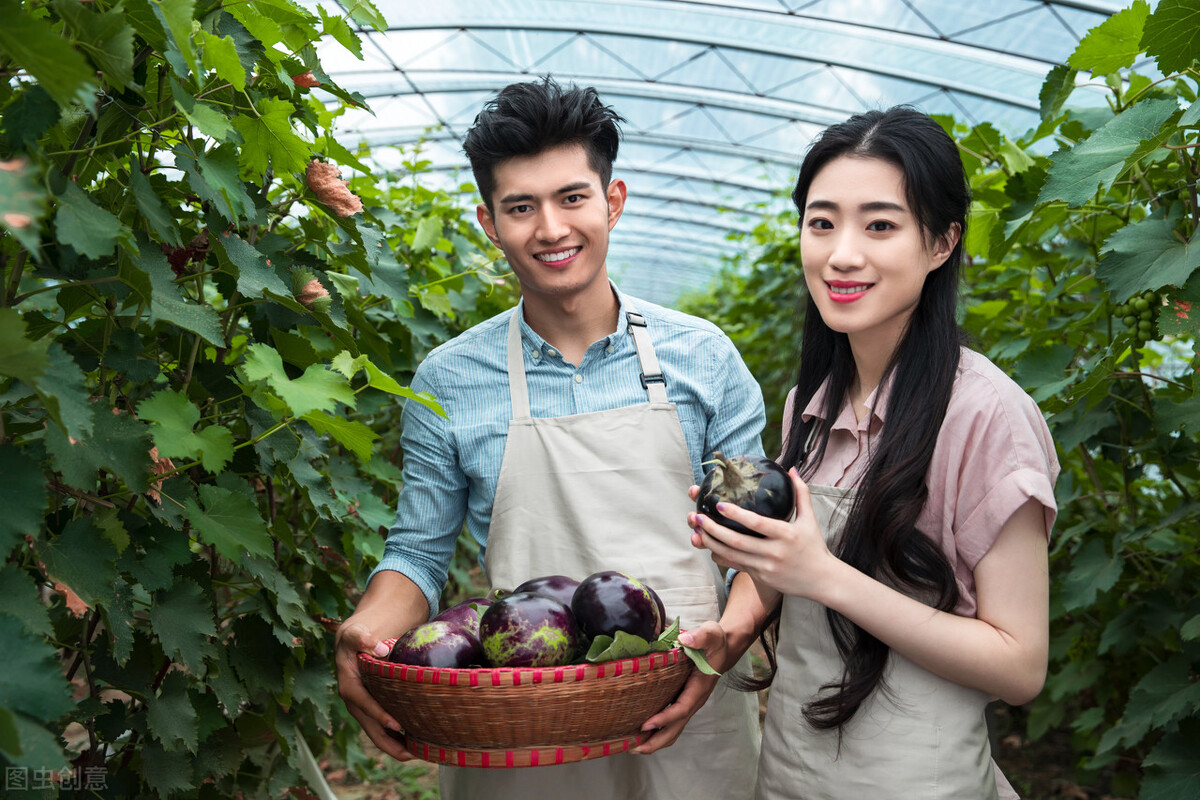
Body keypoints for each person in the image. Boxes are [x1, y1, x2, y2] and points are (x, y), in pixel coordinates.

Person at [334, 76, 764, 800]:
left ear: (612, 201)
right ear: (488, 222)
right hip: (522, 709)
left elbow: (760, 539)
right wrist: (365, 629)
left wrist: (735, 630)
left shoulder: (705, 357)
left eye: (572, 198)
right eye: (521, 207)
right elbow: (418, 550)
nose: (552, 229)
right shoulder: (449, 379)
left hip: (692, 694)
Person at [689, 106, 1060, 799]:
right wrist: (749, 579)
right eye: (821, 222)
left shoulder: (987, 414)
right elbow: (794, 570)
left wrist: (821, 574)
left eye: (880, 225)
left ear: (943, 242)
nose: (841, 253)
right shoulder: (814, 396)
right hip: (793, 769)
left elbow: (1020, 665)